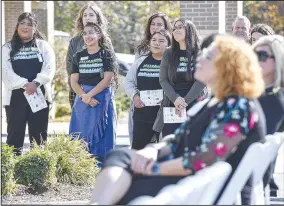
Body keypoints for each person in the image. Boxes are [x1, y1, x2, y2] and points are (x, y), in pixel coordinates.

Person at [90, 35, 266, 205]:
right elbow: (177, 138)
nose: (200, 58)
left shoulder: (238, 106)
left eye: (208, 56)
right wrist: (153, 151)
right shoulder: (215, 102)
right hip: (186, 179)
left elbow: (203, 158)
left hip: (196, 188)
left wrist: (153, 169)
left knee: (126, 181)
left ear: (227, 67)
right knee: (120, 155)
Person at [2, 12, 55, 155]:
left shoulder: (43, 46)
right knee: (14, 137)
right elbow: (5, 72)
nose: (25, 27)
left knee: (39, 138)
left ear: (35, 28)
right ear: (17, 26)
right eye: (22, 23)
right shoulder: (7, 48)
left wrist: (36, 83)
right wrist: (26, 84)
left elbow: (50, 67)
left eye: (29, 24)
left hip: (39, 95)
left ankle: (38, 172)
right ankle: (12, 172)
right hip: (15, 97)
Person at [69, 22, 118, 167]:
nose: (87, 36)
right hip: (83, 100)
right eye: (85, 33)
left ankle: (102, 168)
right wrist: (85, 97)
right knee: (81, 135)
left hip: (101, 98)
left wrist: (90, 95)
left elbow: (108, 78)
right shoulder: (78, 55)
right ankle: (81, 169)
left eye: (91, 32)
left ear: (99, 35)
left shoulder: (106, 54)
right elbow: (73, 82)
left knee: (104, 136)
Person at [153, 18, 207, 137]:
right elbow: (163, 79)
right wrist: (176, 99)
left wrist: (184, 102)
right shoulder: (168, 52)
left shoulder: (200, 52)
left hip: (194, 102)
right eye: (174, 28)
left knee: (193, 140)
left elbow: (202, 80)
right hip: (173, 103)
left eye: (180, 27)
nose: (176, 30)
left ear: (189, 30)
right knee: (170, 140)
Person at [126, 12, 172, 145]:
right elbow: (129, 82)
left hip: (165, 114)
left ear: (168, 44)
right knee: (138, 151)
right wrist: (135, 96)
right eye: (154, 40)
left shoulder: (172, 64)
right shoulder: (141, 61)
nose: (157, 43)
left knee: (163, 152)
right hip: (143, 113)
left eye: (161, 41)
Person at [253, 35, 284, 197]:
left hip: (249, 177)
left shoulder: (273, 100)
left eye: (262, 55)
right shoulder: (258, 94)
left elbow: (255, 143)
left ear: (278, 60)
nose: (256, 60)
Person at [66, 3, 113, 109]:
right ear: (81, 19)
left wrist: (93, 90)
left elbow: (111, 67)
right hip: (79, 91)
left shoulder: (106, 41)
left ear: (98, 18)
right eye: (85, 15)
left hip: (101, 91)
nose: (88, 17)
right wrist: (83, 92)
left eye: (91, 15)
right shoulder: (75, 41)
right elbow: (69, 65)